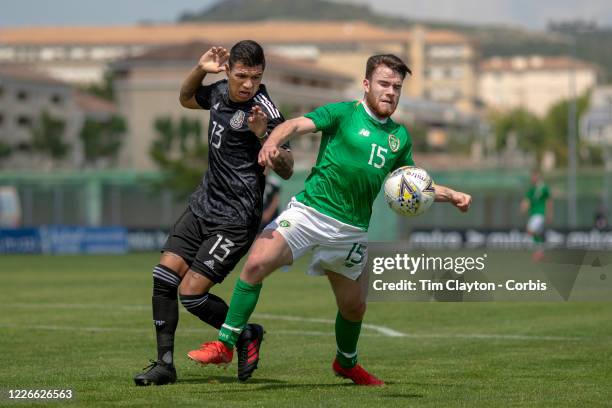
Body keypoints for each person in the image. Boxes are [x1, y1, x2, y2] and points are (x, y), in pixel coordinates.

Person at [186, 54, 472, 386]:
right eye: (384, 84)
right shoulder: (342, 113)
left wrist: (451, 195)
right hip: (309, 213)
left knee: (354, 308)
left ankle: (346, 363)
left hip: (349, 232)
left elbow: (413, 185)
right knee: (256, 263)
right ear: (366, 85)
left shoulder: (399, 137)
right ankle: (225, 344)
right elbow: (294, 125)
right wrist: (271, 143)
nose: (391, 92)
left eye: (397, 87)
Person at [134, 40, 293, 386]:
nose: (248, 84)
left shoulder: (265, 109)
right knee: (163, 278)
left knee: (192, 294)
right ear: (228, 70)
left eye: (255, 76)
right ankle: (165, 365)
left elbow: (288, 168)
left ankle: (246, 333)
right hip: (203, 204)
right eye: (241, 75)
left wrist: (265, 136)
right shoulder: (219, 91)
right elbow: (187, 98)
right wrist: (199, 70)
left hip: (235, 218)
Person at [520, 170, 552, 262]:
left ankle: (540, 248)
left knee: (530, 230)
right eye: (532, 176)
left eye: (534, 176)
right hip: (533, 214)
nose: (532, 178)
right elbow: (527, 201)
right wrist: (523, 208)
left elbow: (548, 201)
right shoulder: (531, 189)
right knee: (536, 234)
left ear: (538, 177)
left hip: (540, 214)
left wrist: (549, 214)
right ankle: (540, 253)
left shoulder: (544, 188)